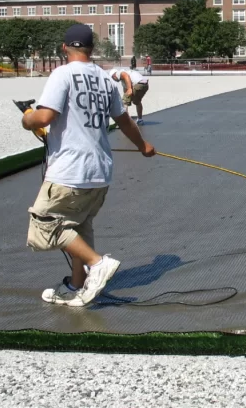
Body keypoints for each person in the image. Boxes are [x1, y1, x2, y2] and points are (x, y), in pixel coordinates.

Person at [21, 23, 156, 307]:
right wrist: (143, 146)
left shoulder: (63, 74)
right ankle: (75, 285)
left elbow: (44, 117)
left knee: (44, 225)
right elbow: (124, 120)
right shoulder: (105, 79)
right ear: (92, 49)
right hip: (100, 172)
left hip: (70, 171)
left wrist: (27, 118)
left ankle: (97, 264)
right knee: (79, 227)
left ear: (64, 48)